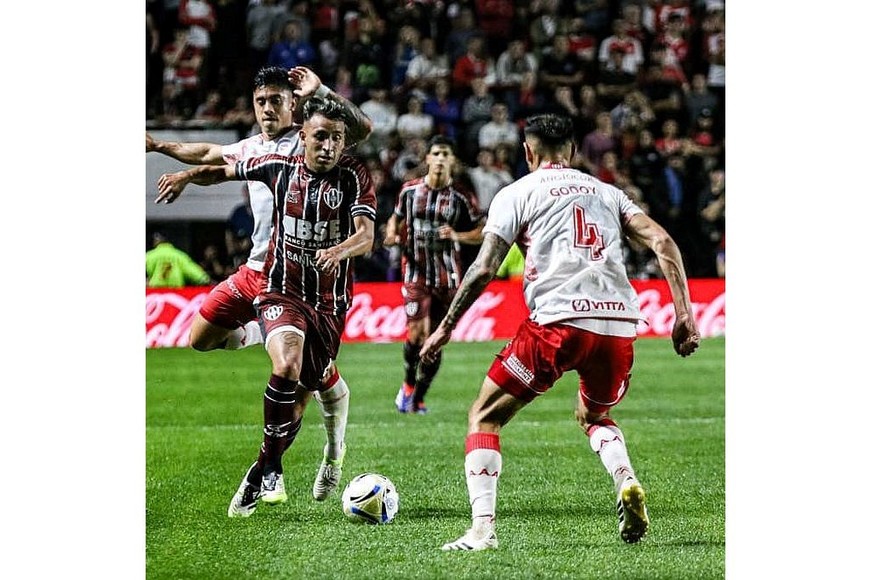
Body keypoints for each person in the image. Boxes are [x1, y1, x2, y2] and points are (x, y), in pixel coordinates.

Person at [419, 113, 701, 551]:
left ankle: (482, 530)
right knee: (594, 416)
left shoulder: (517, 192)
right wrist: (685, 313)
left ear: (528, 152)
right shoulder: (609, 193)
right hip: (616, 327)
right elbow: (663, 242)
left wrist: (443, 329)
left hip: (556, 324)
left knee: (485, 416)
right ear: (572, 151)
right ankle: (626, 480)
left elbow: (483, 269)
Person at [146, 65, 373, 505]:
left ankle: (264, 473)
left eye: (277, 100)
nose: (268, 109)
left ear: (296, 106)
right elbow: (209, 154)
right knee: (202, 337)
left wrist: (321, 91)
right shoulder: (257, 151)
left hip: (319, 285)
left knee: (300, 386)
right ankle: (261, 335)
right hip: (261, 271)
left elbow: (359, 128)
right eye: (261, 102)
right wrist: (160, 148)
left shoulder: (313, 138)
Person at [383, 136, 484, 415]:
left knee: (435, 341)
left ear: (452, 161)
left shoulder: (462, 196)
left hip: (448, 277)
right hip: (415, 271)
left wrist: (457, 235)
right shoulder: (409, 191)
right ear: (427, 158)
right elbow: (396, 218)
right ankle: (406, 385)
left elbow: (482, 232)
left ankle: (420, 397)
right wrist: (392, 234)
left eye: (445, 154)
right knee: (417, 334)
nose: (440, 158)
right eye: (436, 153)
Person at [146, 231, 212, 287]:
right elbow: (199, 277)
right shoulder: (180, 256)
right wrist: (208, 281)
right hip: (175, 295)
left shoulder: (148, 256)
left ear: (155, 242)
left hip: (155, 296)